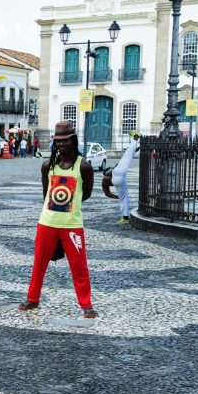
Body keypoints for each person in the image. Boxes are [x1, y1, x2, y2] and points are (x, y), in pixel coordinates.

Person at [18, 121, 98, 318]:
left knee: (79, 266)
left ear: (73, 140)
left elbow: (85, 194)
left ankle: (86, 304)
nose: (61, 145)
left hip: (72, 225)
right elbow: (46, 194)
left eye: (65, 141)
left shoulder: (84, 167)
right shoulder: (48, 166)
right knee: (39, 263)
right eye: (58, 141)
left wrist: (71, 206)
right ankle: (32, 299)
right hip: (46, 223)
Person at [102, 132, 141, 224]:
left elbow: (107, 193)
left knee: (124, 198)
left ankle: (125, 217)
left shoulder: (106, 179)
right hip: (118, 176)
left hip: (118, 180)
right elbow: (107, 193)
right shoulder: (112, 171)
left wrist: (117, 196)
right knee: (127, 155)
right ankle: (135, 138)